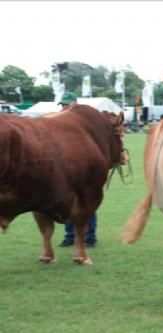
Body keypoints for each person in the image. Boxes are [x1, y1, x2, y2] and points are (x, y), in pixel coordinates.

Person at [57, 92, 98, 247]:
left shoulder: (84, 122)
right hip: (66, 170)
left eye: (66, 104)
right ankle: (70, 236)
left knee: (86, 202)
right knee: (67, 203)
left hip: (84, 169)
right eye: (62, 104)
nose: (64, 107)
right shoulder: (59, 122)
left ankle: (89, 236)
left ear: (75, 103)